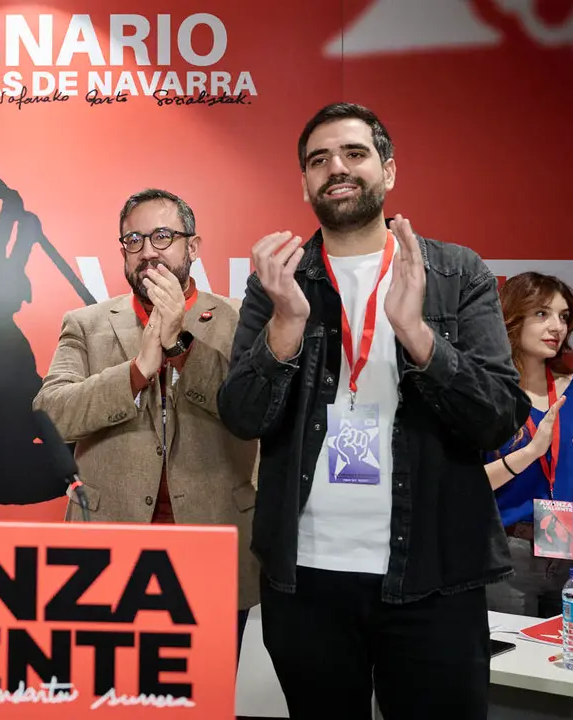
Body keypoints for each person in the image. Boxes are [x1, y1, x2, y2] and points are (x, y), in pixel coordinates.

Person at [218, 102, 529, 719]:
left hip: (434, 577)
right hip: (305, 577)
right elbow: (243, 416)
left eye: (354, 153)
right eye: (319, 160)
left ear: (388, 170)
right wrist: (285, 327)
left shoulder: (455, 272)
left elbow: (498, 417)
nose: (336, 167)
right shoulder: (278, 282)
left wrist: (418, 336)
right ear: (304, 183)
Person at [32, 188, 260, 615]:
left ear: (192, 247)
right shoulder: (86, 324)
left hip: (215, 538)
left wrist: (179, 347)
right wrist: (136, 372)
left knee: (211, 663)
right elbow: (52, 414)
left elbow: (252, 411)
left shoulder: (239, 319)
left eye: (162, 237)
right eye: (134, 240)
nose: (148, 251)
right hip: (107, 546)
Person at [485, 272, 573, 626]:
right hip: (509, 554)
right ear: (512, 318)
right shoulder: (488, 391)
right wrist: (530, 452)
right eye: (542, 314)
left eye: (563, 316)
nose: (557, 327)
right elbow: (465, 483)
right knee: (509, 658)